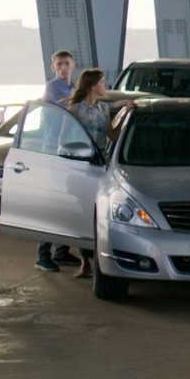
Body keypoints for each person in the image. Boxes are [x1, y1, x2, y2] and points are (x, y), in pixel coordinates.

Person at [68, 68, 135, 278]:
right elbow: (67, 137)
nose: (105, 85)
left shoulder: (104, 108)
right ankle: (84, 261)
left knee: (96, 211)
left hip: (100, 164)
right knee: (82, 212)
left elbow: (112, 135)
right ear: (91, 86)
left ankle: (94, 260)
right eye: (102, 82)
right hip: (81, 164)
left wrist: (125, 115)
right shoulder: (75, 109)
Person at [36, 50, 78, 272]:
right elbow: (71, 105)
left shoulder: (74, 88)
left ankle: (61, 251)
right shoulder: (53, 88)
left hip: (69, 152)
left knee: (66, 204)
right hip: (53, 153)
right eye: (59, 64)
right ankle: (42, 255)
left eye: (66, 63)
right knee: (51, 206)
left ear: (73, 65)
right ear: (53, 67)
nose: (63, 67)